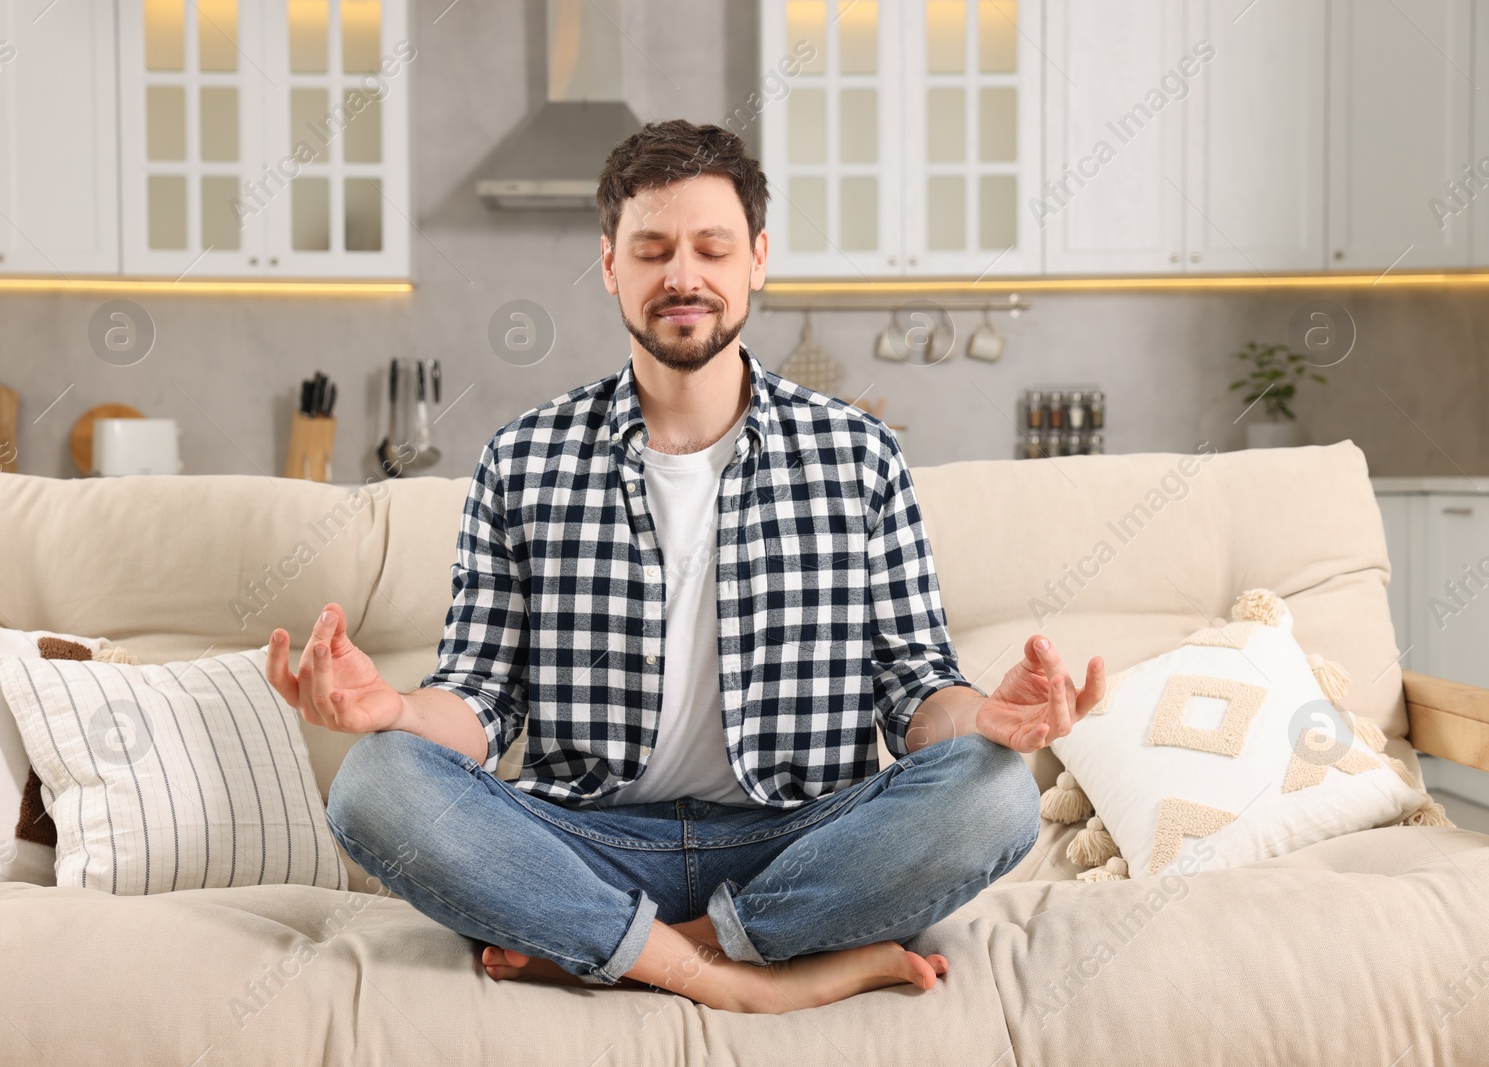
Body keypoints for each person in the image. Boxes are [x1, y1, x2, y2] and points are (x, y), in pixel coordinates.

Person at [266, 119, 1105, 1015]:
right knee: (375, 782)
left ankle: (640, 949)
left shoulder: (858, 455)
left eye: (711, 246)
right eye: (653, 248)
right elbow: (478, 697)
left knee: (994, 794)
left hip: (795, 843)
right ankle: (751, 978)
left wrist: (989, 716)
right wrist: (392, 710)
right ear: (610, 264)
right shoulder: (522, 457)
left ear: (757, 258)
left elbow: (913, 692)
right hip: (579, 840)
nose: (682, 274)